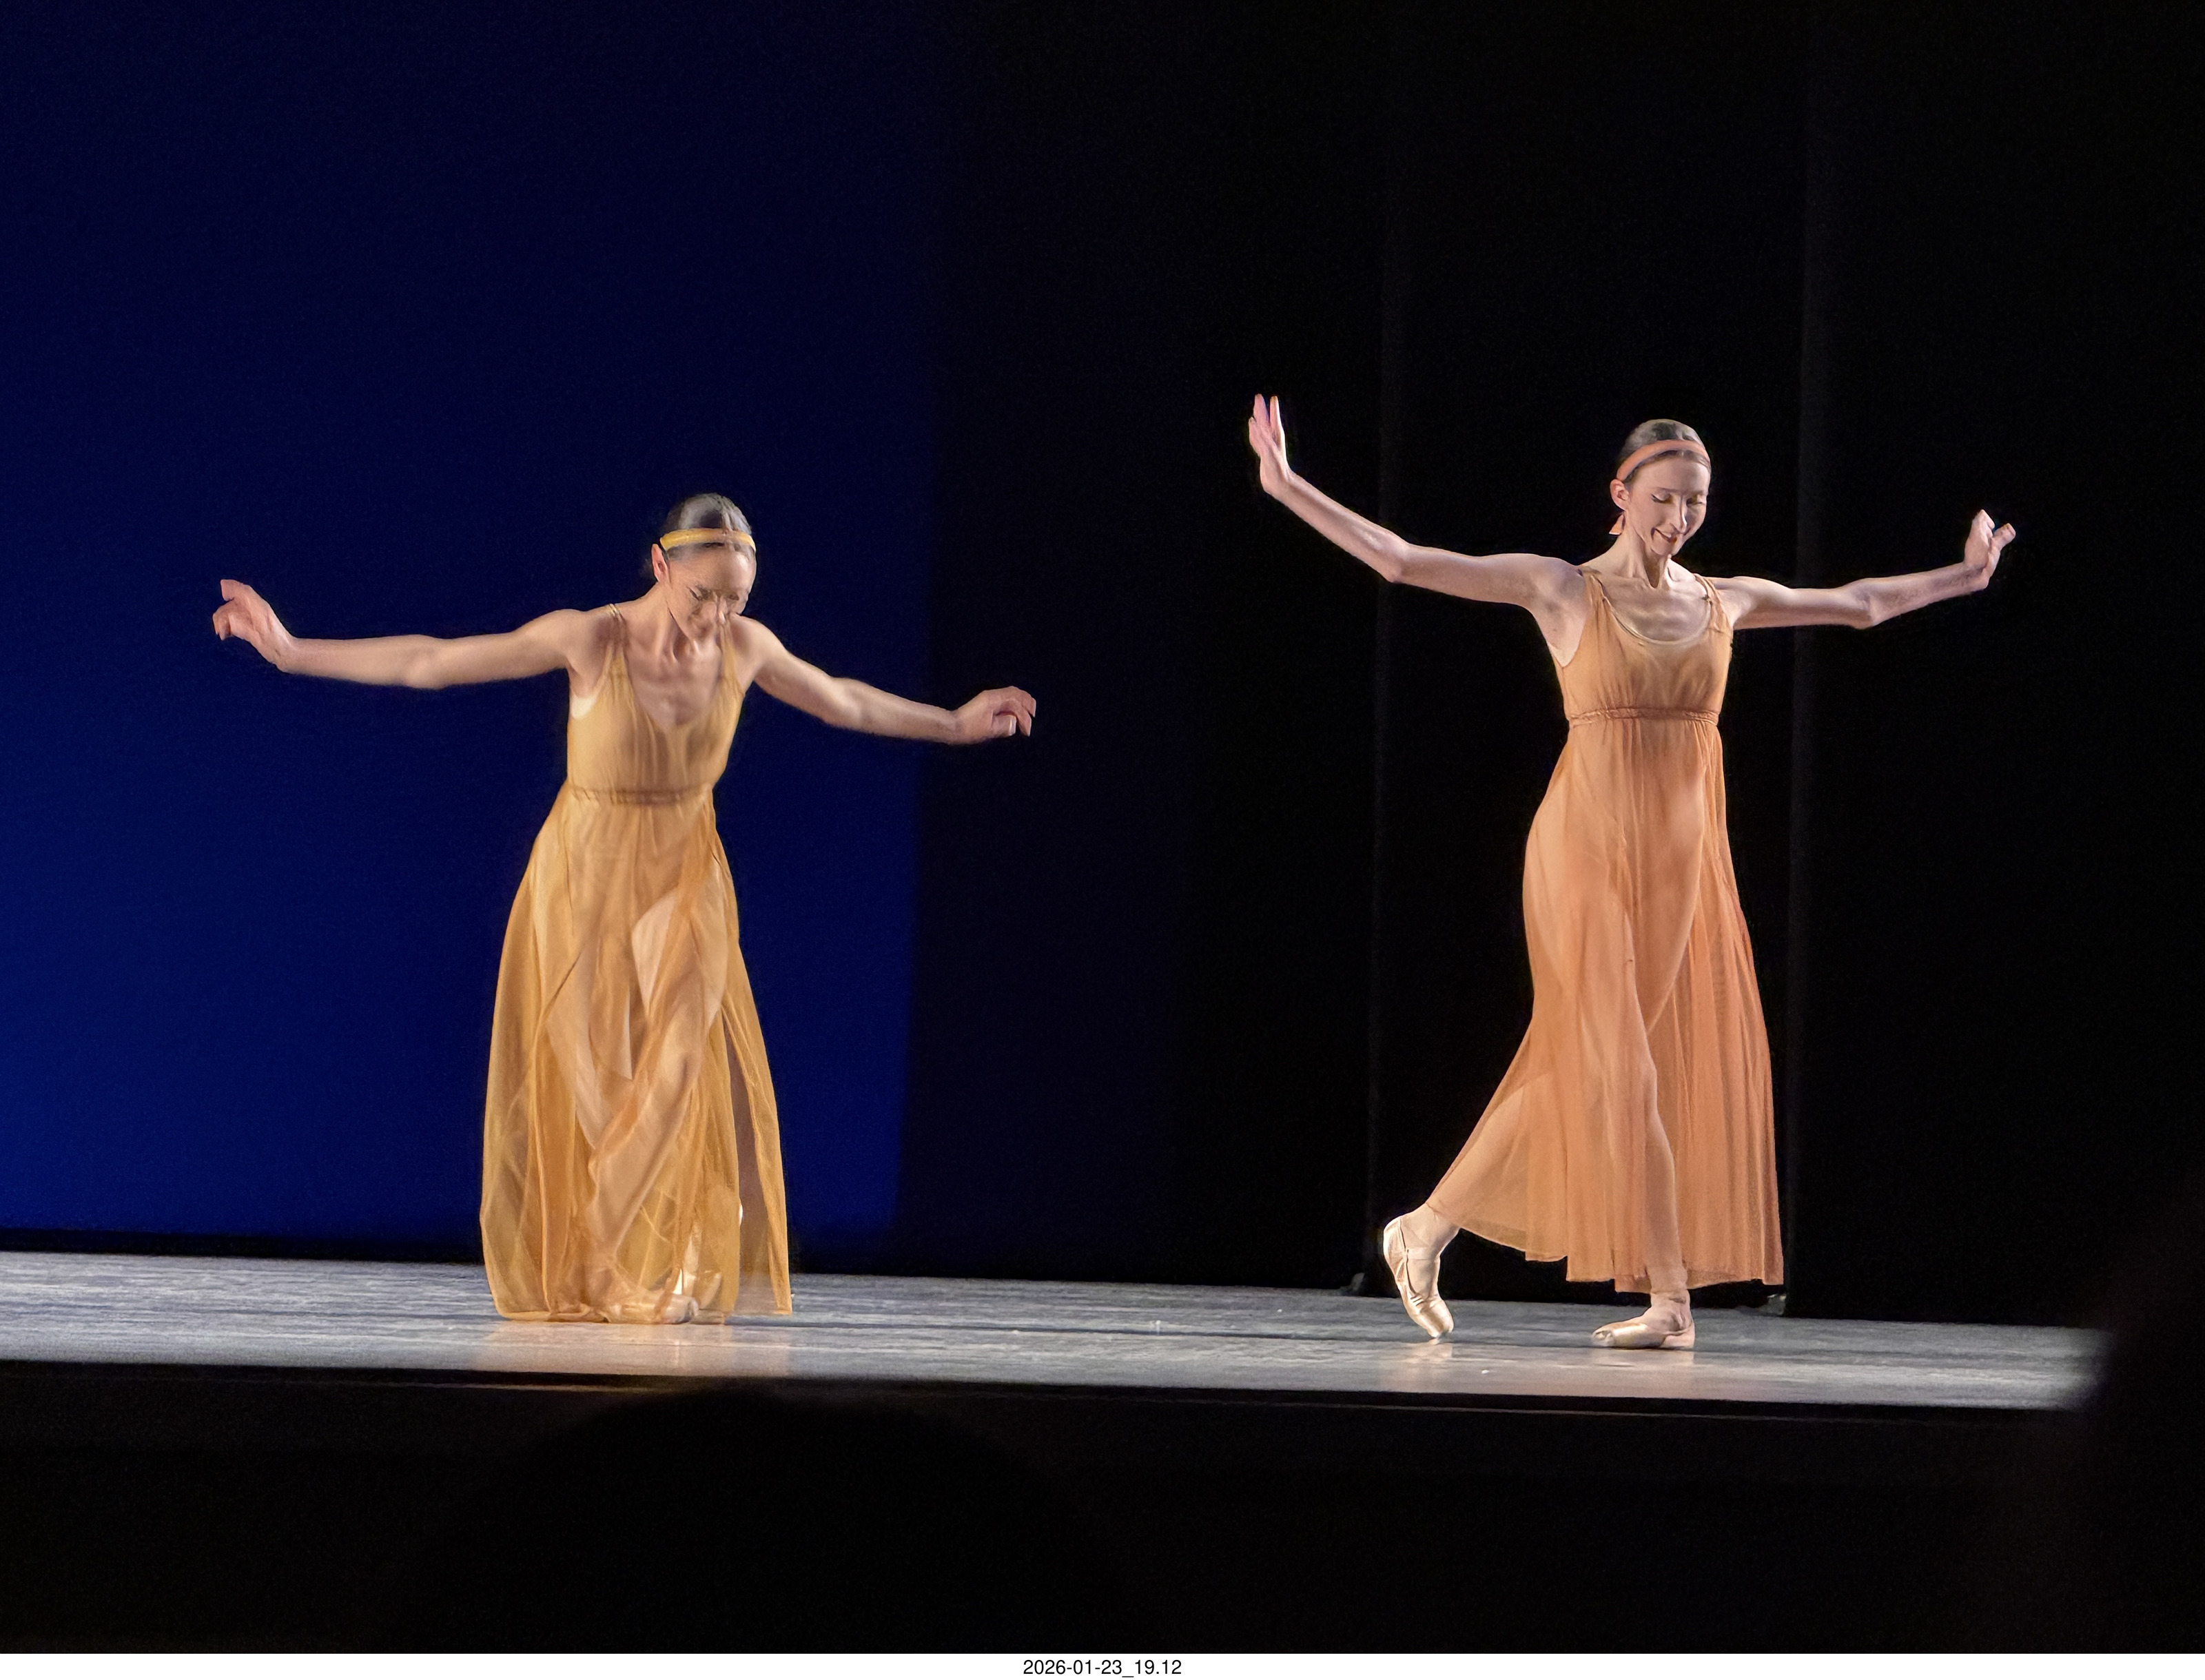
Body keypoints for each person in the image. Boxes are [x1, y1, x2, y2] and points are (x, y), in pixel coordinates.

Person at [1247, 398, 2012, 1349]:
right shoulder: (1563, 588)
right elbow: (1403, 560)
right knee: (1630, 1072)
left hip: (1680, 860)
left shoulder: (1723, 600)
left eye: (1694, 500)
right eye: (1661, 497)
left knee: (1589, 1062)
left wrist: (1965, 575)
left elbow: (1858, 604)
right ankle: (1670, 1301)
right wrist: (1288, 485)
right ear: (1619, 493)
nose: (1678, 516)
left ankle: (1423, 1228)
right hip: (1581, 847)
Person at [212, 494, 1035, 1323]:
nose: (718, 616)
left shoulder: (744, 648)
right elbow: (434, 660)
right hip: (586, 870)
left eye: (736, 599)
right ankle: (614, 1257)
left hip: (685, 867)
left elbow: (843, 700)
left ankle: (611, 1252)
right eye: (703, 595)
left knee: (677, 1068)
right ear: (660, 566)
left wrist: (953, 722)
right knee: (603, 1085)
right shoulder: (592, 639)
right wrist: (292, 650)